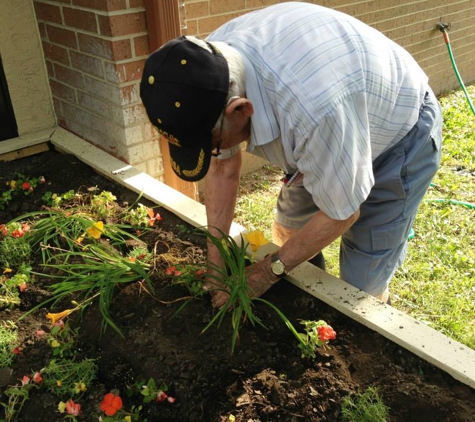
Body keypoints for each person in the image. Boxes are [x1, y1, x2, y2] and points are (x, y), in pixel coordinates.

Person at [140, 2, 442, 308]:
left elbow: (342, 213)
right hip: (333, 127)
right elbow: (223, 169)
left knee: (359, 288)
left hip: (399, 135)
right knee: (289, 229)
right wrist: (216, 265)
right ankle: (310, 294)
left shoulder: (313, 111)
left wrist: (267, 271)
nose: (215, 151)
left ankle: (375, 308)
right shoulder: (210, 71)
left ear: (241, 109)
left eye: (213, 143)